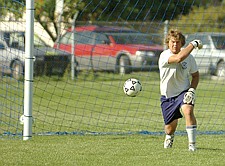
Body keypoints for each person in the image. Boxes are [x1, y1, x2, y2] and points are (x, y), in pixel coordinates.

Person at [158, 29, 202, 151]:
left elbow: (196, 75)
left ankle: (192, 146)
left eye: (178, 42)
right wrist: (193, 44)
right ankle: (169, 137)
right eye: (173, 42)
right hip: (168, 95)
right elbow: (178, 58)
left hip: (184, 92)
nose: (175, 44)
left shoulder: (190, 58)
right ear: (168, 42)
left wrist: (192, 90)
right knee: (169, 128)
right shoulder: (164, 56)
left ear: (181, 43)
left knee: (188, 110)